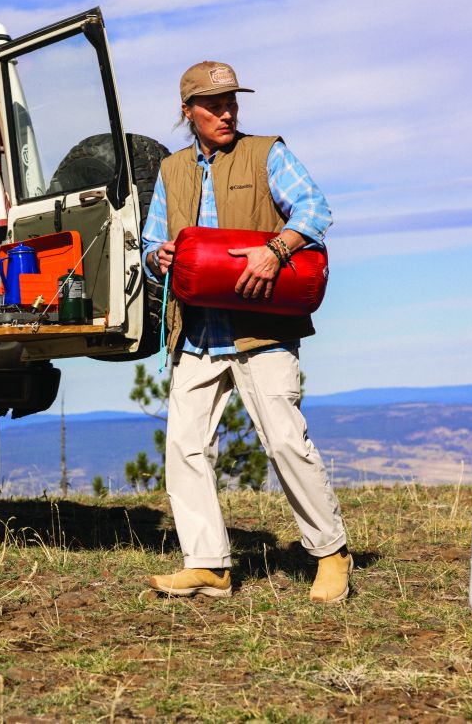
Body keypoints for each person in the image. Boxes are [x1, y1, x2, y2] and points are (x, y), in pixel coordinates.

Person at [140, 61, 352, 603]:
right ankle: (209, 565)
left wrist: (276, 248)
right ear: (187, 111)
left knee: (284, 440)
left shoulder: (266, 153)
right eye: (213, 104)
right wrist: (158, 258)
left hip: (260, 328)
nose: (227, 111)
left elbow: (314, 208)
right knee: (185, 449)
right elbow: (147, 248)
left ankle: (330, 554)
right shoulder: (171, 171)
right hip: (195, 334)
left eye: (232, 100)